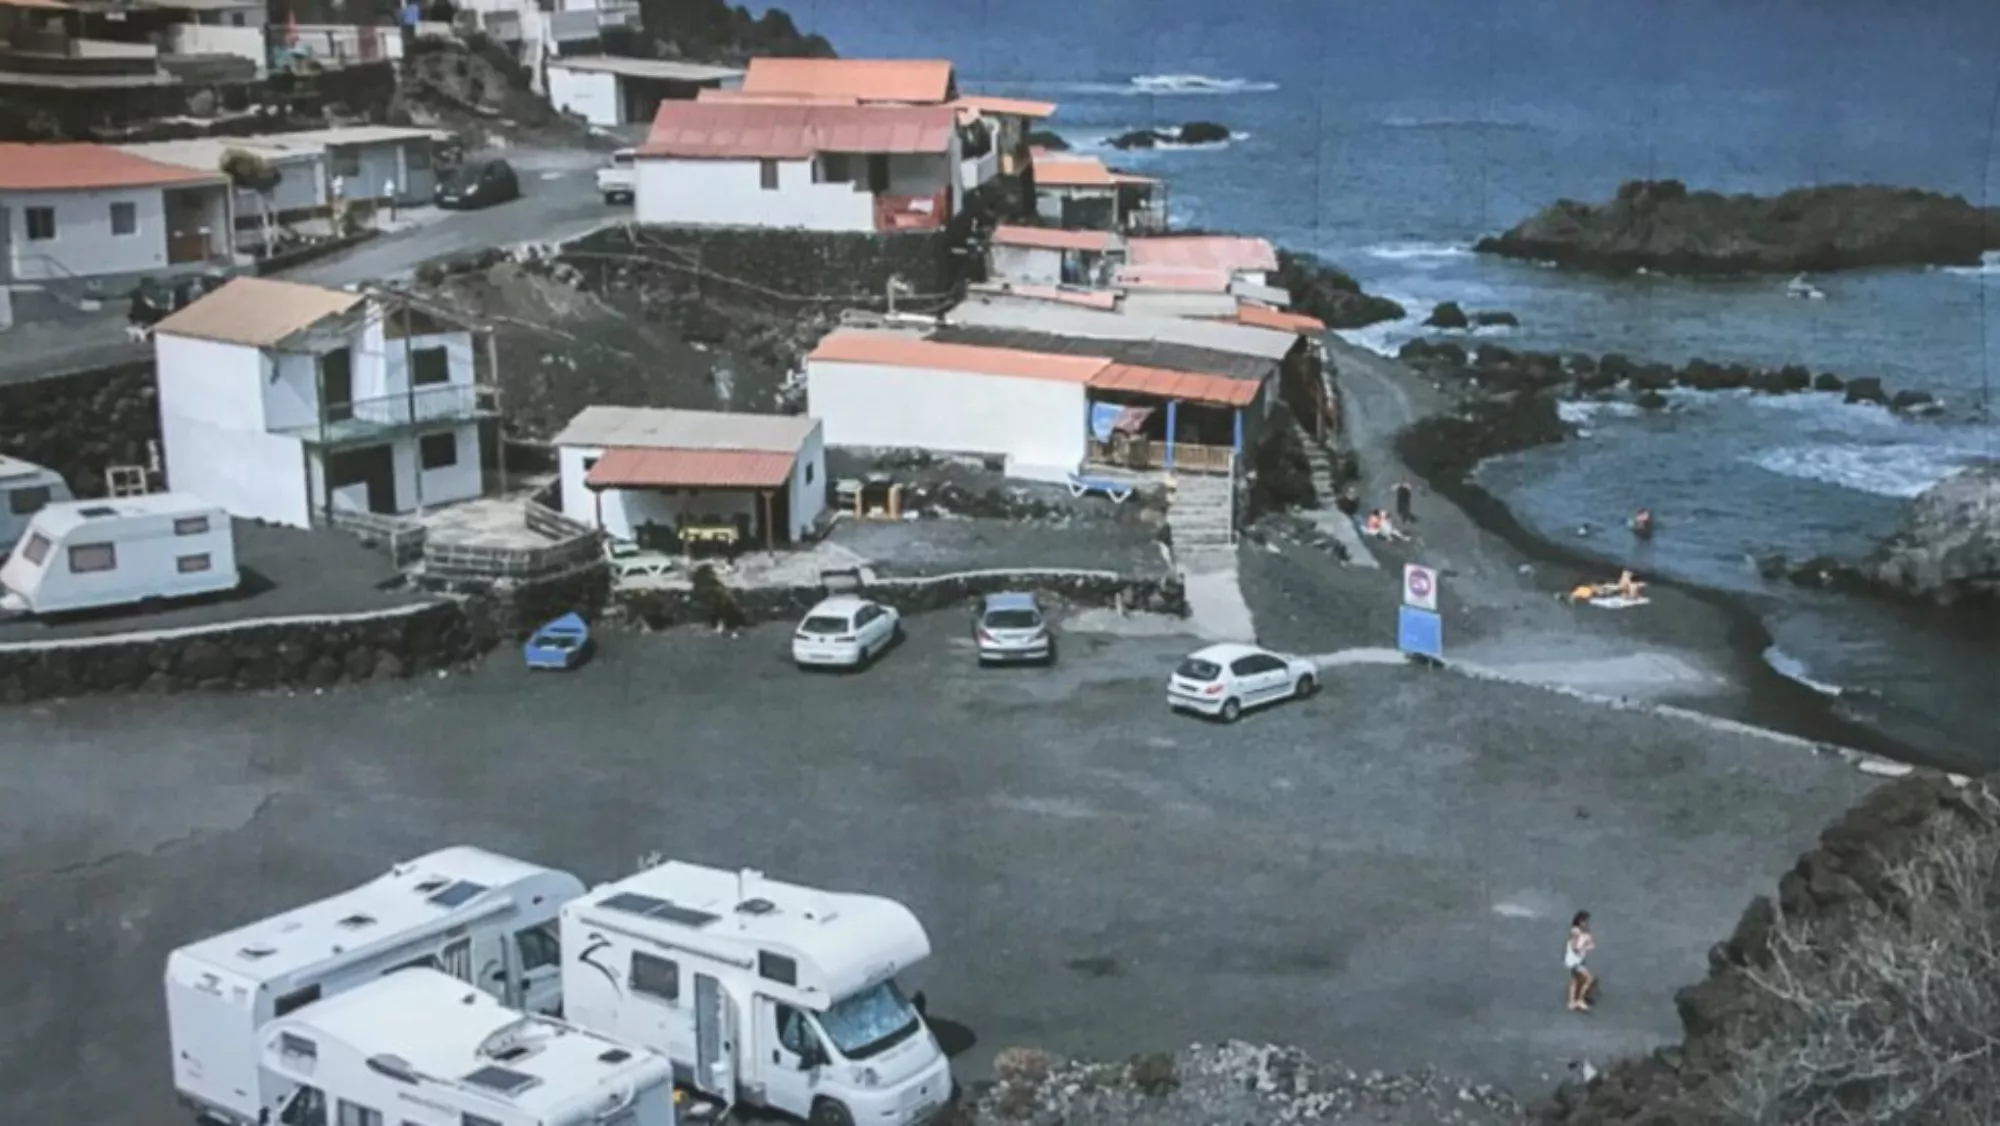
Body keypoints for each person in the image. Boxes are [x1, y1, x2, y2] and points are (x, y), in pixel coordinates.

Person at [1566, 911, 1597, 1012]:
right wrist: (1586, 947)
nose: (1587, 923)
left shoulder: (1583, 931)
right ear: (1580, 921)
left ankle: (1571, 1002)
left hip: (1577, 960)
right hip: (1576, 961)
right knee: (1589, 979)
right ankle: (1580, 999)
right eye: (1585, 921)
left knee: (1575, 981)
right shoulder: (1576, 931)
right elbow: (1575, 947)